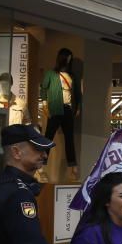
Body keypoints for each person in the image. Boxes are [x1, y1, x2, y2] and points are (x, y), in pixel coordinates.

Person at [40, 48, 80, 180]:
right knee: (48, 136)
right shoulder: (51, 74)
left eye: (70, 58)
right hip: (55, 108)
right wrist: (45, 105)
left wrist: (77, 107)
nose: (69, 60)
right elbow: (43, 89)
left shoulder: (72, 75)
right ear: (62, 58)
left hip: (68, 109)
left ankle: (72, 166)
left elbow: (77, 93)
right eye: (67, 57)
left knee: (69, 138)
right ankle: (41, 165)